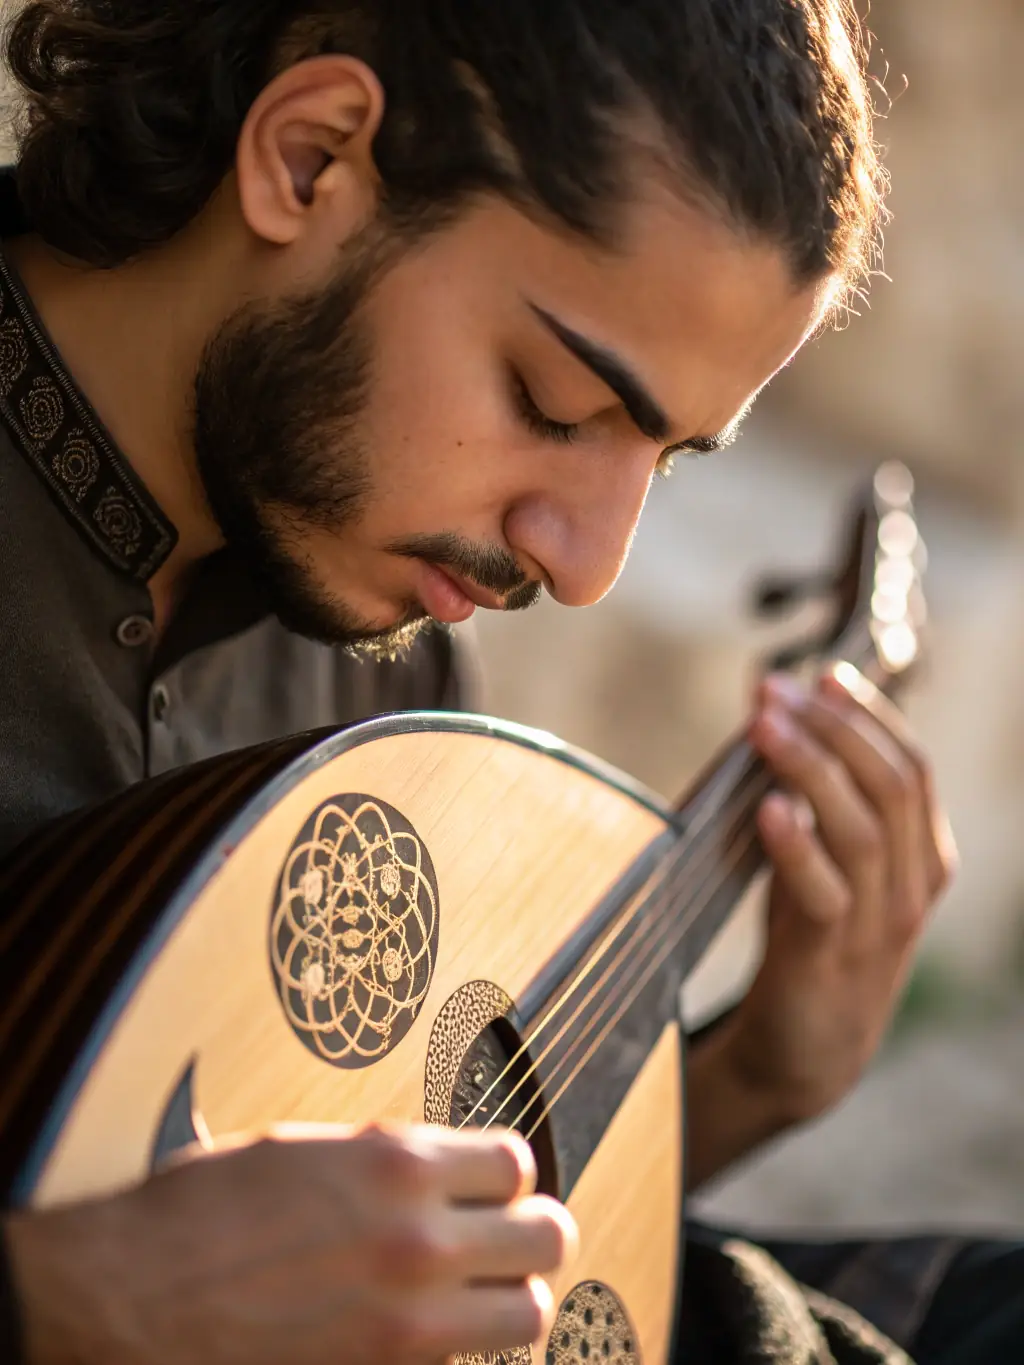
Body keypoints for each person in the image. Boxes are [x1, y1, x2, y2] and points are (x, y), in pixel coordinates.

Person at [0, 1, 1018, 1361]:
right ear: (311, 158)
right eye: (555, 404)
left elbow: (416, 1219)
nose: (590, 563)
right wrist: (63, 1296)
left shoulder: (386, 675)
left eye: (669, 459)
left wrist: (753, 1077)